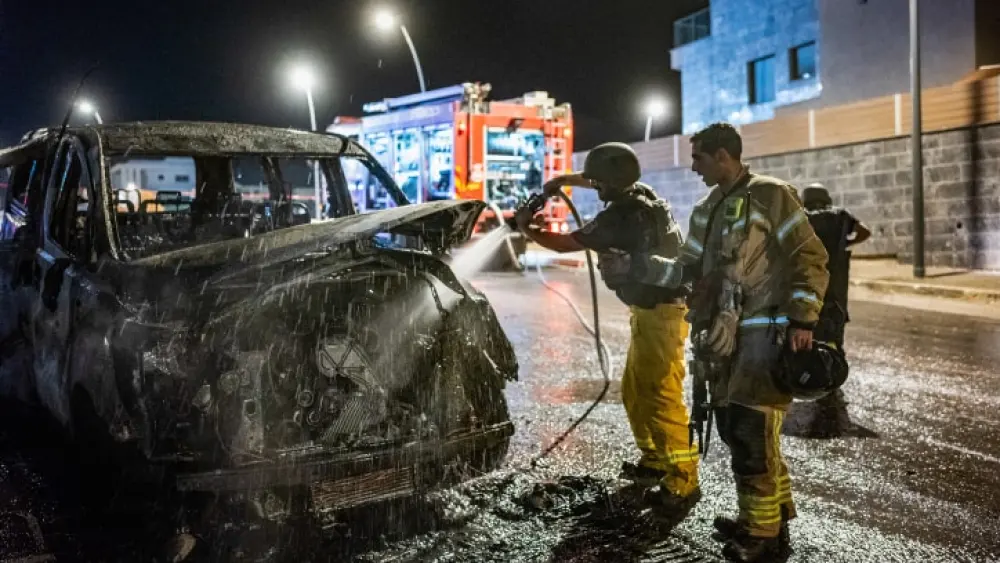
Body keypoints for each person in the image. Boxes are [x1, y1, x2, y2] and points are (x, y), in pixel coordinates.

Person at [615, 123, 830, 562]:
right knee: (738, 430)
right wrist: (636, 265)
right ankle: (771, 514)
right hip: (724, 342)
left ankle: (761, 534)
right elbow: (687, 268)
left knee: (752, 432)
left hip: (767, 334)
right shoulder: (705, 209)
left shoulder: (772, 195)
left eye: (698, 158)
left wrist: (803, 318)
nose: (692, 167)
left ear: (723, 156)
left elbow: (810, 257)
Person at [513, 142, 701, 515]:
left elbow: (565, 243)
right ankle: (655, 460)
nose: (595, 187)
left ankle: (683, 478)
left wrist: (527, 229)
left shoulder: (620, 215)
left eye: (599, 182)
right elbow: (603, 180)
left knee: (659, 394)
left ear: (611, 183)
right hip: (651, 311)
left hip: (662, 313)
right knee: (635, 390)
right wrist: (564, 181)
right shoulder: (642, 194)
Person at [798, 182, 871, 437]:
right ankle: (833, 376)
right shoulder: (841, 216)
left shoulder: (803, 218)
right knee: (835, 335)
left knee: (810, 332)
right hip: (837, 290)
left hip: (811, 289)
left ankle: (810, 377)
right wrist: (845, 247)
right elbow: (864, 231)